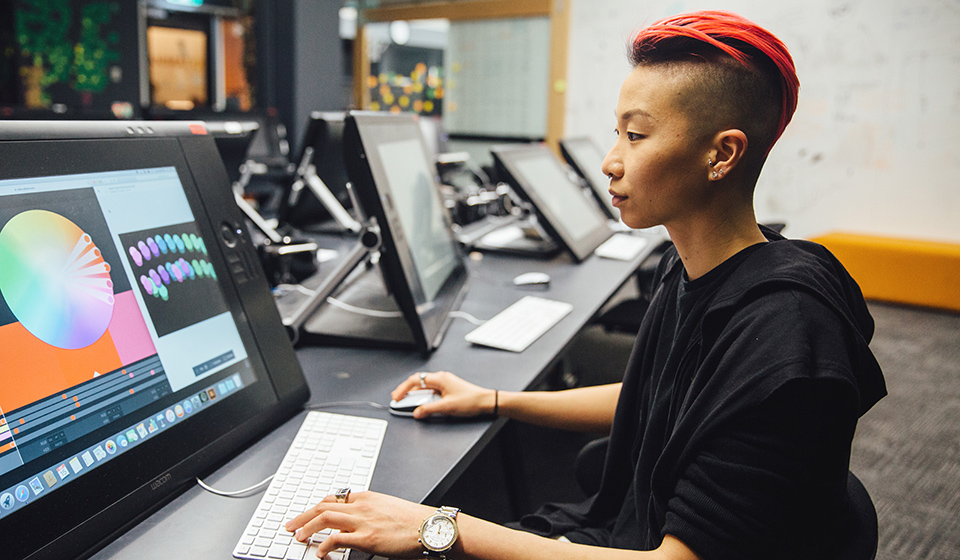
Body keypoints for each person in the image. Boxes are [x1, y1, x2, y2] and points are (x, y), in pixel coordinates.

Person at [285, 10, 886, 559]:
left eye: (637, 135)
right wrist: (497, 401)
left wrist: (439, 528)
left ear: (723, 154)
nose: (610, 160)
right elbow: (657, 396)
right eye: (617, 132)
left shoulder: (785, 334)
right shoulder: (691, 266)